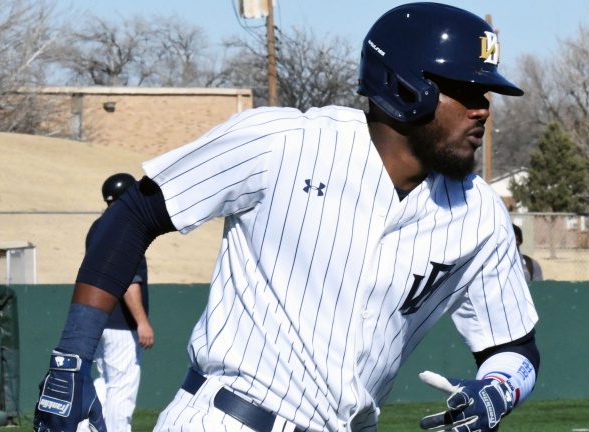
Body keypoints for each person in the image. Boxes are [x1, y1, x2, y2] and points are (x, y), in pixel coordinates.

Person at [33, 3, 540, 432]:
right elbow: (136, 212)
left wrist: (499, 388)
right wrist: (72, 357)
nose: (483, 109)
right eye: (467, 91)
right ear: (407, 86)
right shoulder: (283, 144)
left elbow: (515, 347)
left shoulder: (480, 214)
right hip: (227, 418)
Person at [77, 173, 154, 432]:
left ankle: (83, 427)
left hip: (96, 320)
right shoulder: (126, 227)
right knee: (122, 389)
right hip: (121, 324)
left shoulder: (98, 226)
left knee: (105, 382)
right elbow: (128, 281)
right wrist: (142, 322)